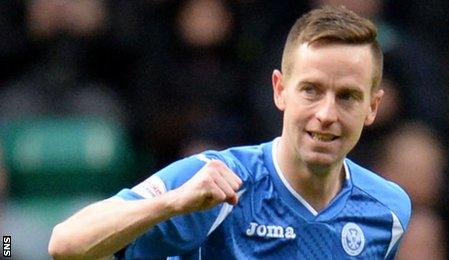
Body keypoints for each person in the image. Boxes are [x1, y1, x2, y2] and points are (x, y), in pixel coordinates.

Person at [48, 6, 411, 259]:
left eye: (347, 96)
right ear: (280, 90)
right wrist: (170, 204)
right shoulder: (216, 184)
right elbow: (65, 243)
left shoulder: (388, 211)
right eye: (311, 90)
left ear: (372, 108)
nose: (326, 114)